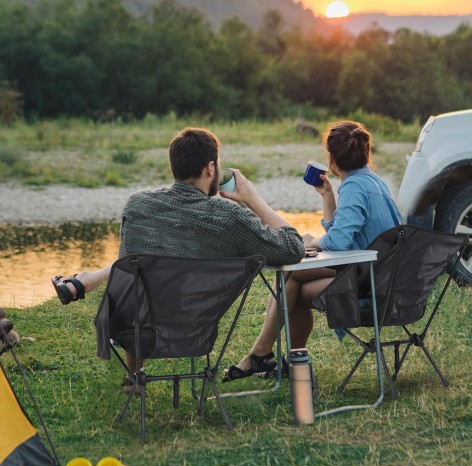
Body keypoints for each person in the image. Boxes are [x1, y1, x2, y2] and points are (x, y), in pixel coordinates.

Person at [51, 127, 305, 392]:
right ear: (210, 168)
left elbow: (128, 271)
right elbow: (293, 248)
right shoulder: (228, 216)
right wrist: (253, 200)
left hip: (139, 332)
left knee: (139, 279)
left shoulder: (137, 205)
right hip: (196, 331)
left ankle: (134, 374)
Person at [223, 120, 403, 382]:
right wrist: (327, 198)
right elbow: (345, 234)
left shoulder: (354, 187)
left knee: (291, 280)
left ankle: (263, 355)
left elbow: (339, 242)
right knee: (292, 282)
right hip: (382, 276)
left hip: (369, 284)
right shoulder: (374, 182)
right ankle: (283, 360)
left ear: (331, 159)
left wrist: (313, 241)